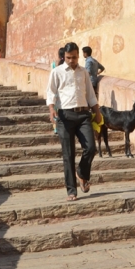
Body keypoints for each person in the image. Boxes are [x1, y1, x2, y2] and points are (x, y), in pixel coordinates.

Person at [46, 42, 102, 202]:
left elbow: (91, 94)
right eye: (69, 57)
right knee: (68, 154)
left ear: (78, 56)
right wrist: (51, 110)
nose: (72, 60)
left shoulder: (83, 72)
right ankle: (72, 190)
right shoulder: (57, 72)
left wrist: (97, 112)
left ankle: (82, 173)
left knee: (91, 148)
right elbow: (50, 93)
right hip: (65, 116)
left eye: (75, 57)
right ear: (64, 56)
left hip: (83, 114)